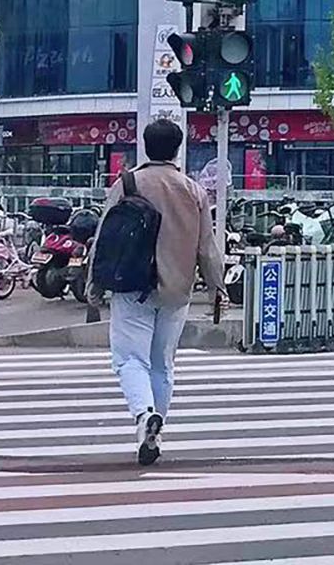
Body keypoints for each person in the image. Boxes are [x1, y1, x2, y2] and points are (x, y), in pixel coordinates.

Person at [88, 119, 221, 466]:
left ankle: (145, 416)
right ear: (177, 149)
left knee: (130, 359)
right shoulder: (194, 190)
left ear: (145, 146)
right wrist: (216, 287)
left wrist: (94, 282)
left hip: (132, 284)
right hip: (177, 289)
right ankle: (155, 434)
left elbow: (104, 237)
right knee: (163, 364)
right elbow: (207, 247)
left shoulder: (128, 183)